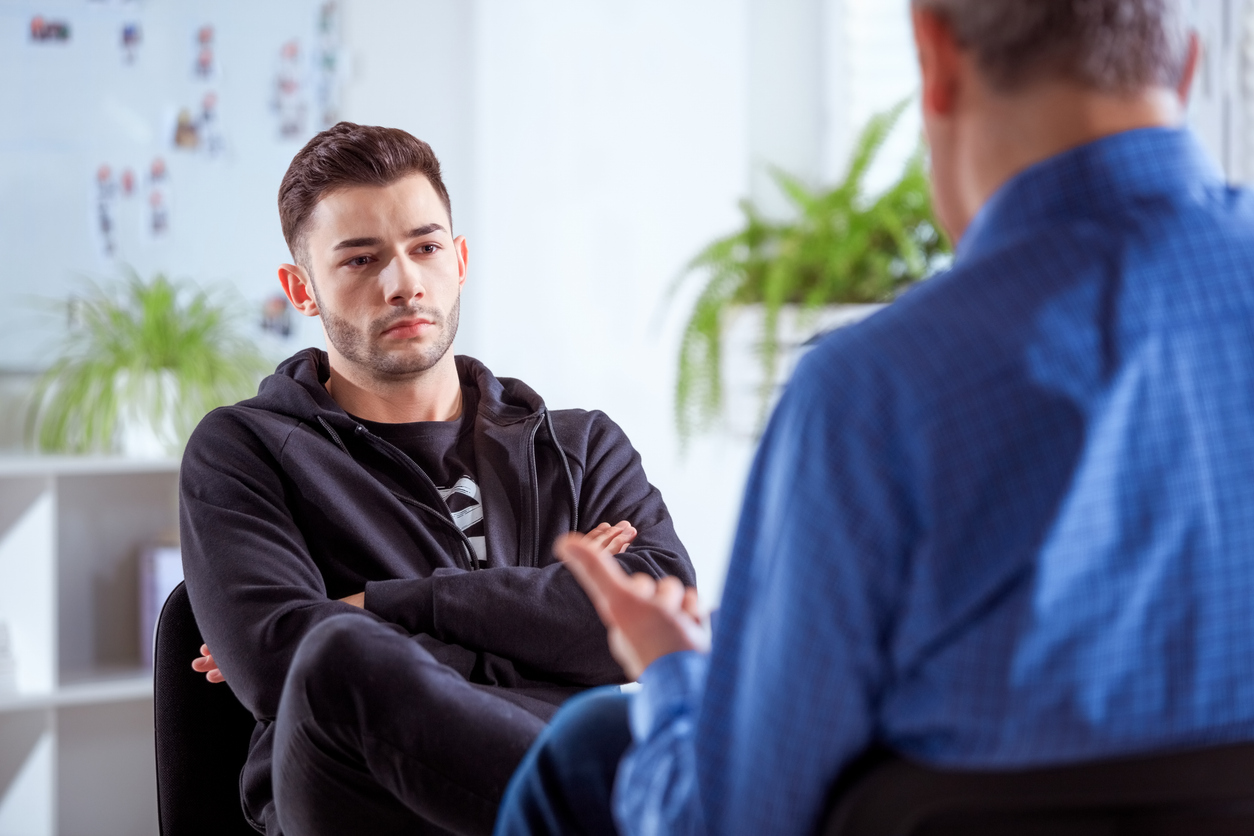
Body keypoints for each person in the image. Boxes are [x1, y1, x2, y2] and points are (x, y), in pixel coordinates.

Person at [493, 1, 1254, 834]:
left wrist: (671, 670)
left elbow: (731, 821)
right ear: (1188, 65)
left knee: (594, 745)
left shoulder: (874, 394)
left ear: (935, 57)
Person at [178, 122, 695, 836]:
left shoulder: (579, 445)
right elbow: (274, 662)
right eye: (360, 261)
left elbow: (662, 606)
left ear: (458, 259)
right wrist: (544, 612)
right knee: (336, 658)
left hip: (568, 763)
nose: (403, 284)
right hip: (371, 805)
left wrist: (386, 604)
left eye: (423, 248)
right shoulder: (244, 448)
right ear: (301, 289)